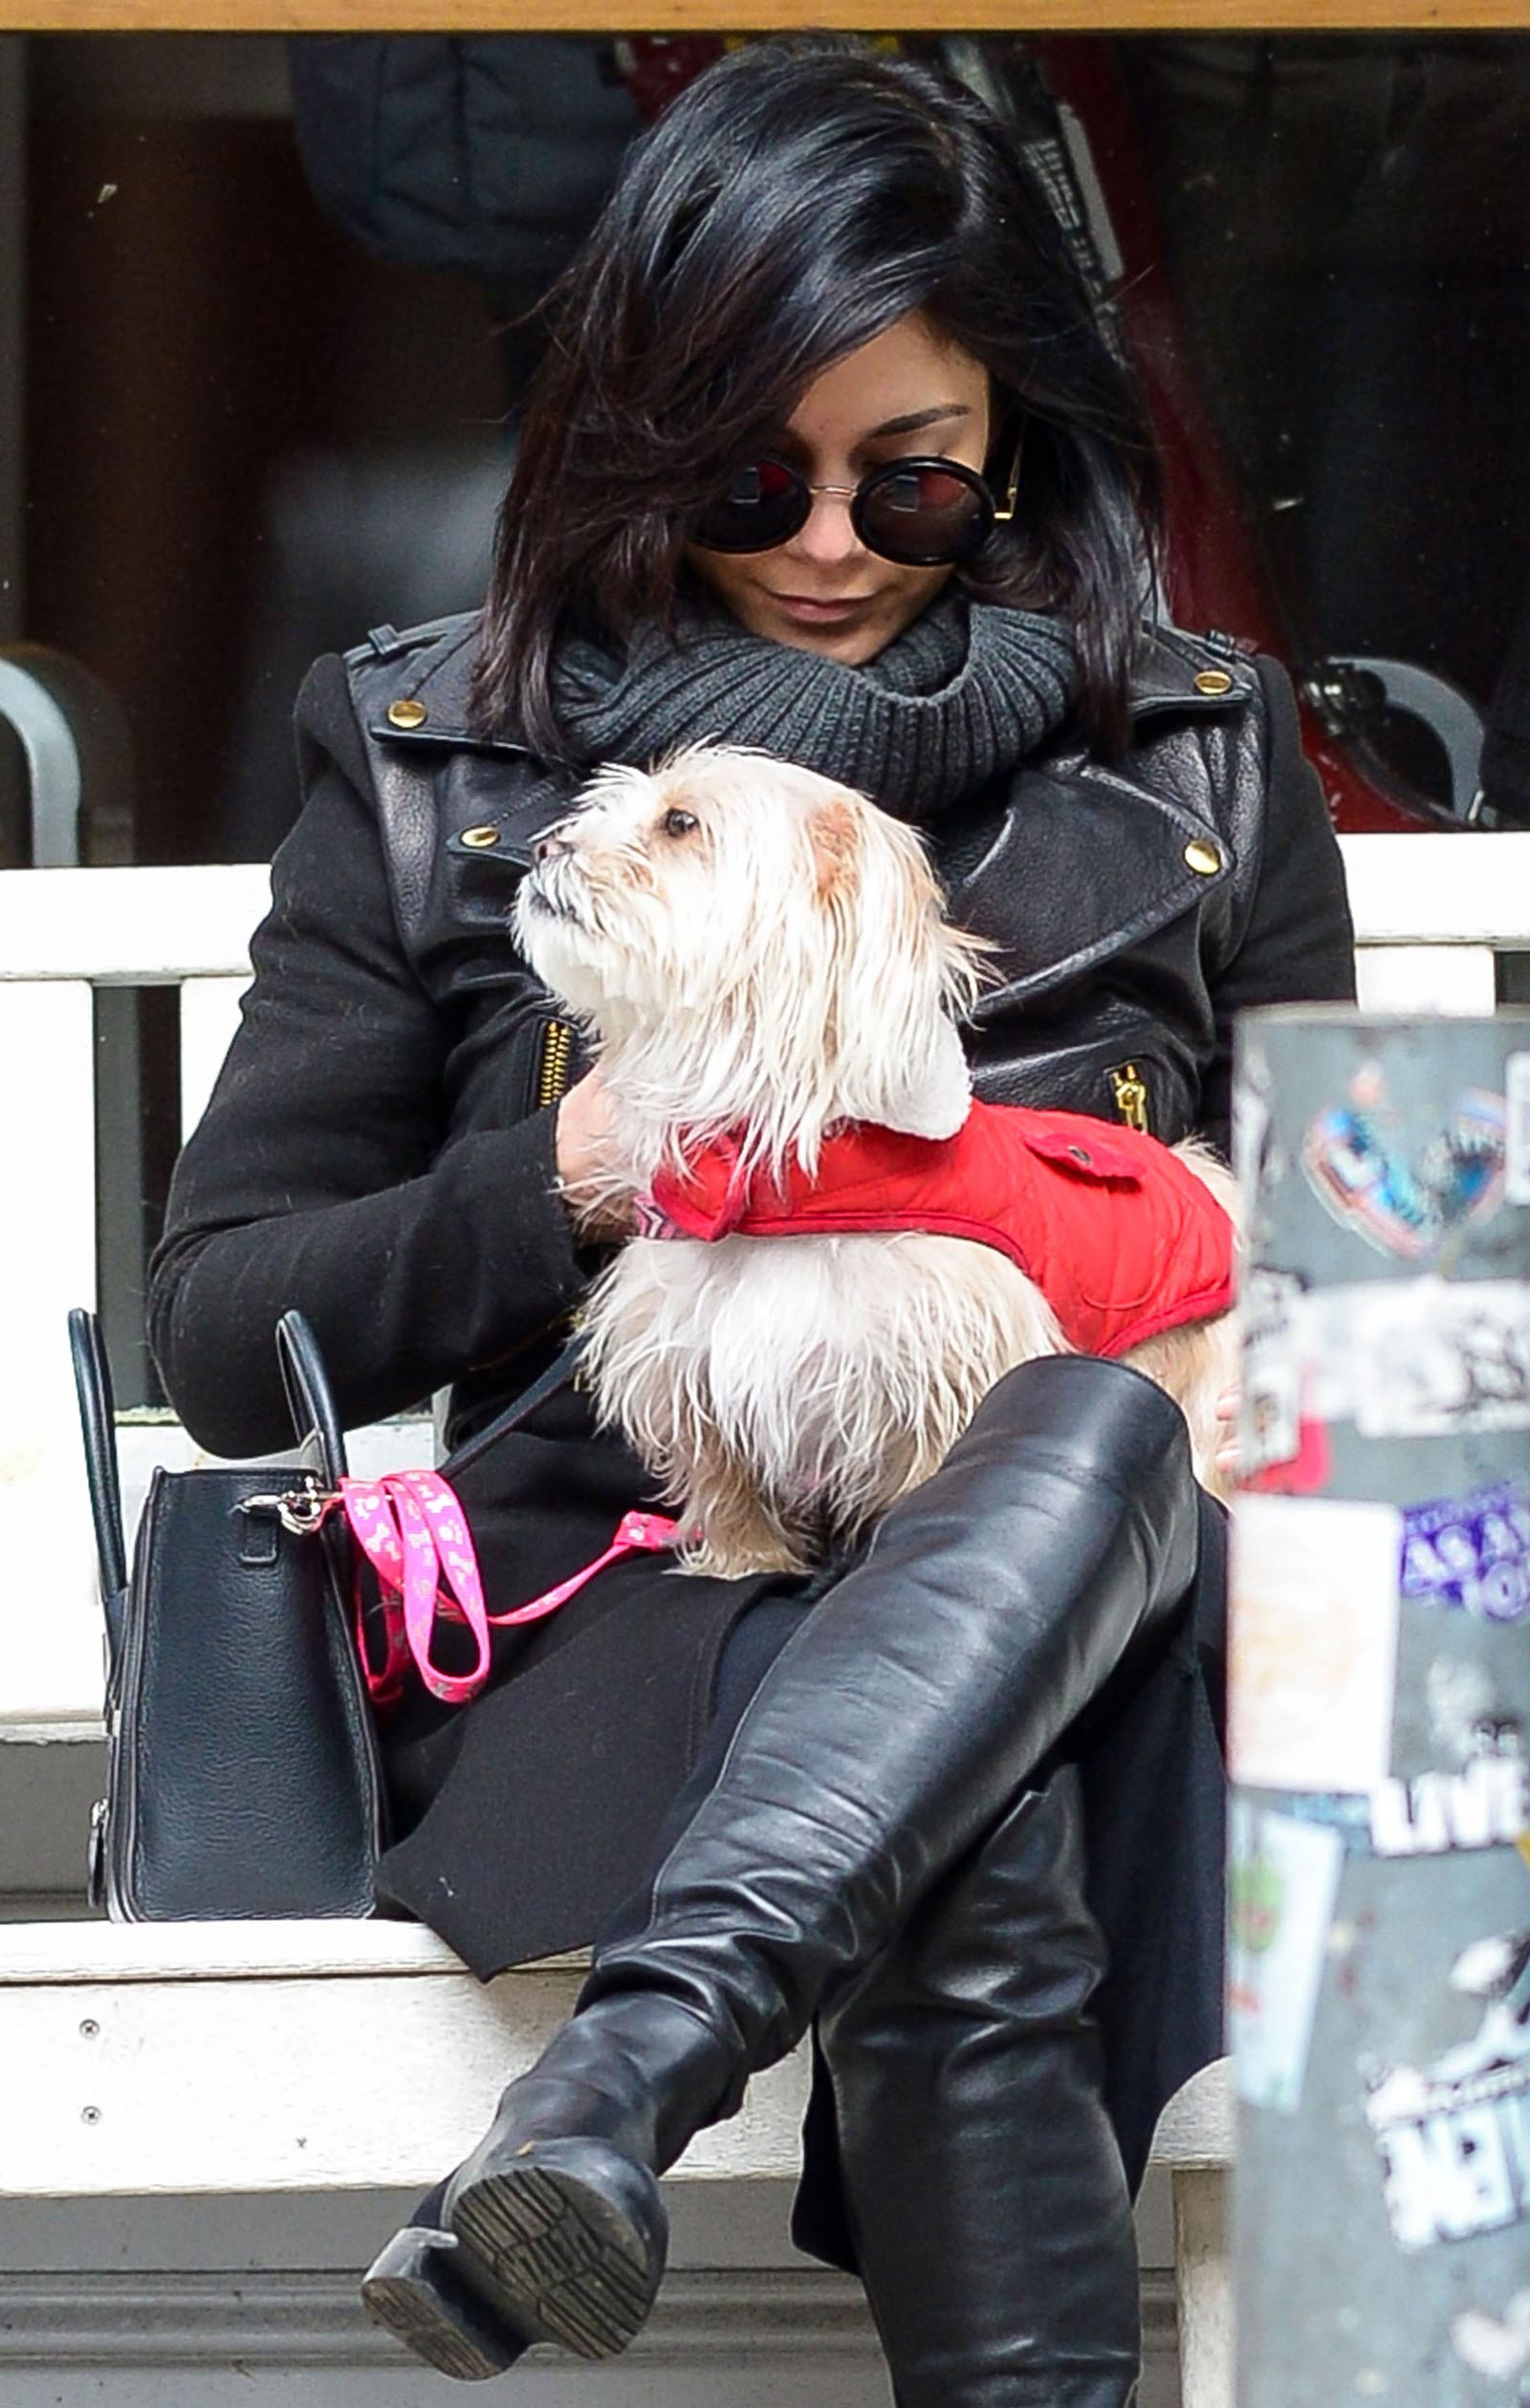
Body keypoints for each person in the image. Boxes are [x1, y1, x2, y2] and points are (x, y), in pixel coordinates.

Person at [148, 36, 1355, 2403]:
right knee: (971, 1771)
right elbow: (222, 1322)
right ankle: (610, 2106)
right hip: (623, 1615)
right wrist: (582, 1171)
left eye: (906, 485)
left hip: (1143, 1627)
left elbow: (1333, 1308)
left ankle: (602, 2096)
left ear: (1003, 440)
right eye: (746, 471)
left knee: (1083, 1435)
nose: (822, 542)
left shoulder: (1201, 754)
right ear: (632, 428)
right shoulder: (442, 763)